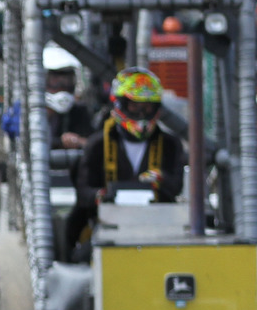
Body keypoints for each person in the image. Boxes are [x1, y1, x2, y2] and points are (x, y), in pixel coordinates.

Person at [69, 68, 185, 249]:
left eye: (147, 107)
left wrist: (160, 179)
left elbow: (177, 186)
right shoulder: (97, 144)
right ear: (120, 105)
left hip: (158, 229)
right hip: (106, 228)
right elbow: (83, 192)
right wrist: (103, 195)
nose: (141, 113)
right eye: (134, 106)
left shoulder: (170, 144)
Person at [43, 44, 95, 149]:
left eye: (67, 80)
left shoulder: (78, 111)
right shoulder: (29, 110)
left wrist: (77, 141)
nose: (62, 87)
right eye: (55, 80)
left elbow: (93, 143)